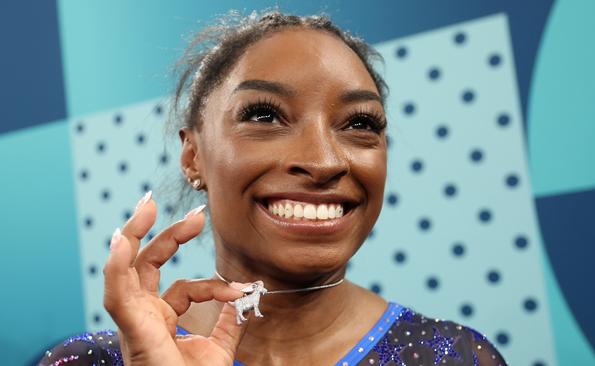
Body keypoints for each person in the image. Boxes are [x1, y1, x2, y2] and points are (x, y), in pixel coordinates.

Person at [39, 11, 507, 366]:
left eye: (360, 123)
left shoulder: (456, 356)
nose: (324, 161)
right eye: (264, 116)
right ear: (192, 156)